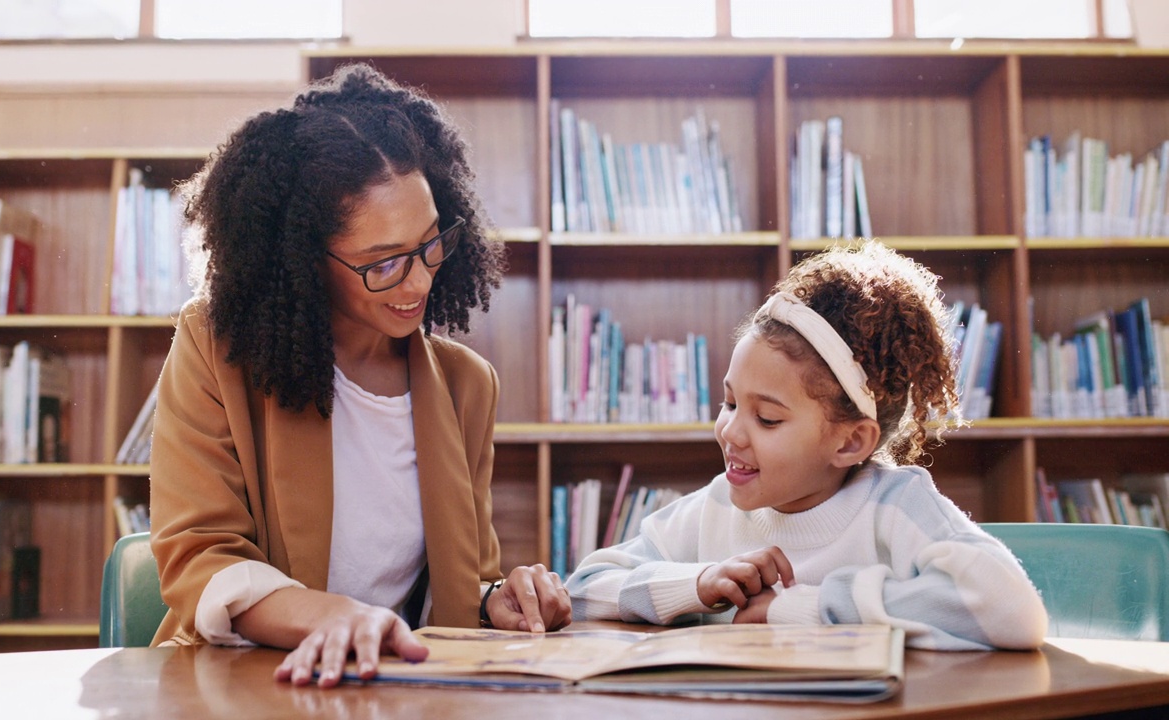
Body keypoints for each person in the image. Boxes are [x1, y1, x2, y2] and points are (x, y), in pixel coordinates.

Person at [148, 63, 571, 689]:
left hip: (395, 689)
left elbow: (460, 580)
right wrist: (331, 616)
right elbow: (198, 558)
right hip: (247, 685)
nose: (421, 280)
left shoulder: (465, 385)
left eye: (431, 243)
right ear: (299, 256)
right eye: (384, 263)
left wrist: (493, 601)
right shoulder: (217, 351)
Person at [564, 240, 1047, 651]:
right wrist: (696, 584)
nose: (729, 432)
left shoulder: (894, 507)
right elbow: (582, 591)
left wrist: (802, 606)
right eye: (729, 403)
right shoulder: (713, 508)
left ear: (851, 441)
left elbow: (1012, 611)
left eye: (767, 418)